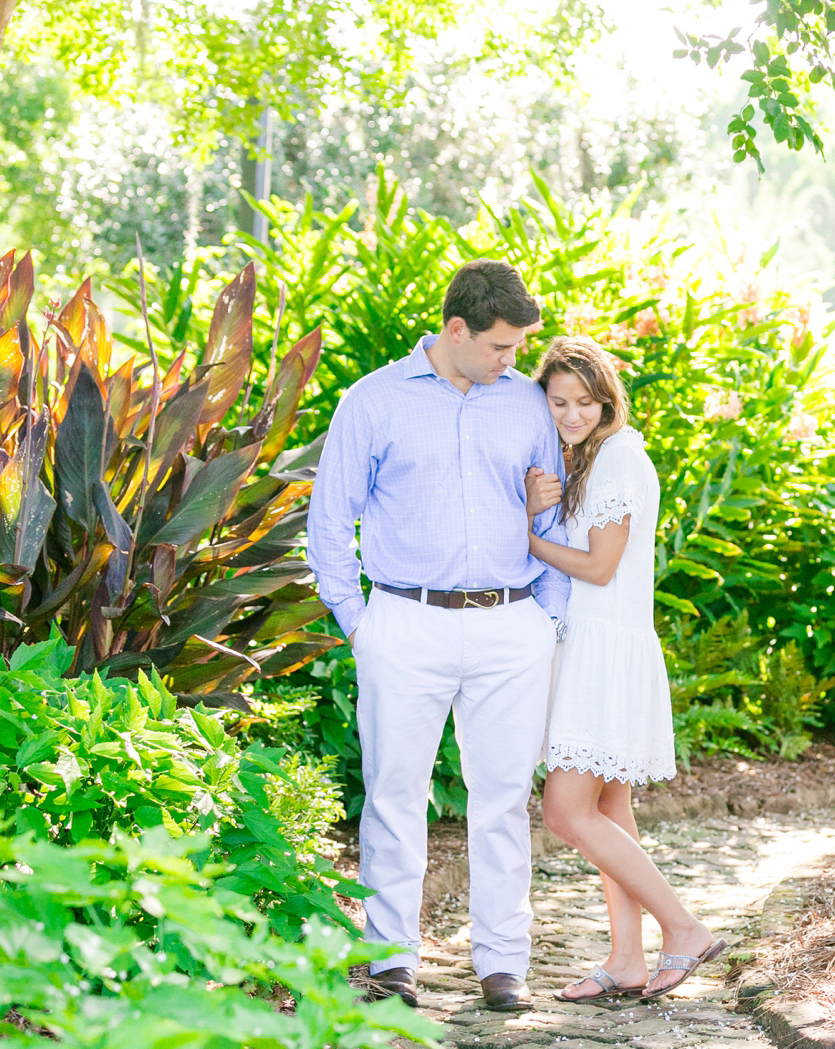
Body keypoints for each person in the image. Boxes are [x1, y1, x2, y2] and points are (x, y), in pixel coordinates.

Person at [307, 259, 569, 1013]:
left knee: (501, 800)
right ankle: (393, 962)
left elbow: (548, 516)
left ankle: (502, 963)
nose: (513, 362)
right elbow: (330, 522)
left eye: (518, 348)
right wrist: (362, 626)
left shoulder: (524, 406)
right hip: (403, 621)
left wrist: (543, 618)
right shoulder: (373, 402)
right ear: (456, 330)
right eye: (501, 347)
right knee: (394, 796)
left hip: (510, 624)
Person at [523, 335, 725, 1001]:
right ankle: (627, 957)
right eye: (559, 400)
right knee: (609, 807)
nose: (572, 413)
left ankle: (683, 926)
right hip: (592, 643)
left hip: (604, 649)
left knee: (564, 810)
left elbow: (600, 566)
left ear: (607, 399)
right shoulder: (588, 459)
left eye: (585, 401)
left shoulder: (619, 458)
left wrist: (526, 535)